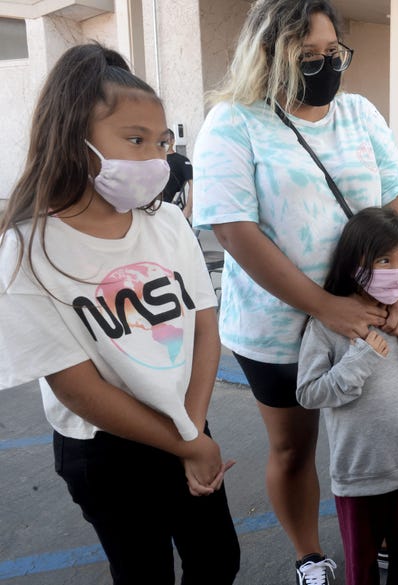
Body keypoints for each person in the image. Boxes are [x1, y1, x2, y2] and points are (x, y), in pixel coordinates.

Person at [192, 1, 398, 583]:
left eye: (332, 53)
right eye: (307, 56)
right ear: (269, 56)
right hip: (278, 329)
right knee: (294, 449)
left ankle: (385, 538)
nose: (325, 66)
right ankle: (308, 554)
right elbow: (232, 228)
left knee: (378, 438)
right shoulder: (234, 121)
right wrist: (324, 306)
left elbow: (396, 197)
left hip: (370, 316)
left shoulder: (360, 113)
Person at [0, 44, 239, 584]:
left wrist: (193, 428)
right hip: (106, 449)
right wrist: (189, 443)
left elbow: (205, 325)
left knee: (218, 561)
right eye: (134, 140)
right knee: (142, 572)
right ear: (74, 142)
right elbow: (77, 388)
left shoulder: (168, 224)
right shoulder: (27, 251)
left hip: (185, 418)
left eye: (161, 142)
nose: (155, 159)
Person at [297, 207, 398, 585]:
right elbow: (309, 392)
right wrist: (361, 356)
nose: (397, 269)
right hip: (361, 474)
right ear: (355, 261)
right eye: (384, 259)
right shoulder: (329, 324)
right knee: (362, 570)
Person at [161, 128, 193, 220]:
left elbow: (193, 185)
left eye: (165, 141)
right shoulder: (155, 160)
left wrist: (188, 208)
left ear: (172, 141)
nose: (163, 144)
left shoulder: (182, 161)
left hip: (168, 204)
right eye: (160, 141)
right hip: (150, 205)